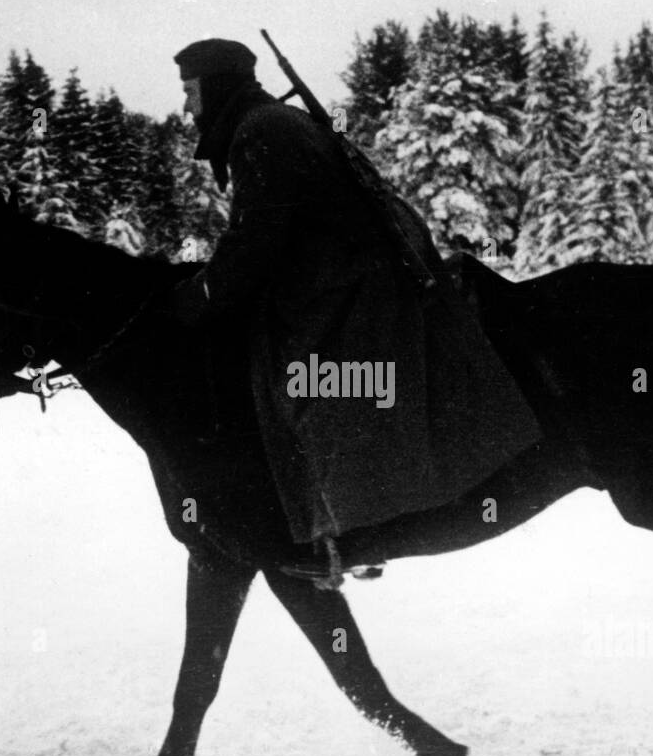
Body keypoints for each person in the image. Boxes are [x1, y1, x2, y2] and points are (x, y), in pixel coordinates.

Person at [167, 37, 542, 582]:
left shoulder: (261, 131)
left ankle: (350, 531)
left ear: (217, 86)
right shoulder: (274, 122)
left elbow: (254, 244)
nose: (186, 106)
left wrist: (194, 299)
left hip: (352, 287)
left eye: (190, 91)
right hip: (346, 276)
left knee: (307, 384)